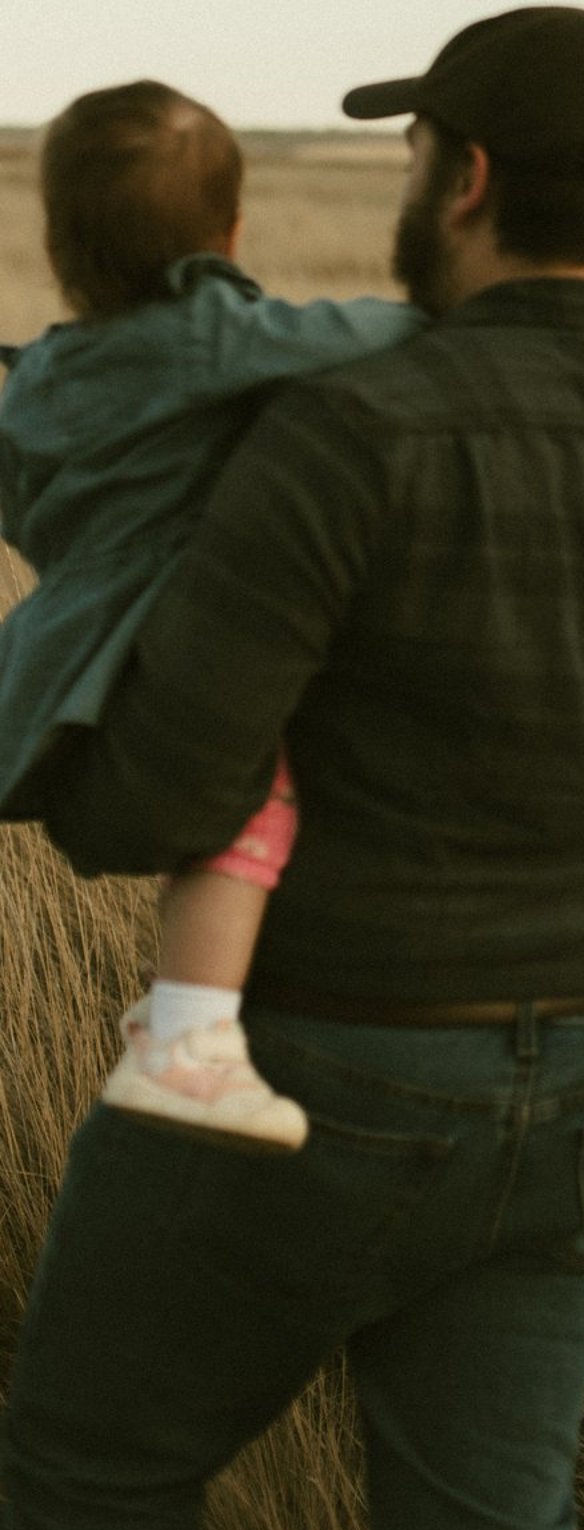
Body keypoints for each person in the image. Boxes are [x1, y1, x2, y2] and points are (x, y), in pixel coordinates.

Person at [0, 5, 584, 1530]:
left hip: (316, 1066)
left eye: (417, 155)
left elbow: (162, 799)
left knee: (92, 1471)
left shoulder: (343, 437)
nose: (413, 183)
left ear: (467, 178)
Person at [0, 79, 422, 1151]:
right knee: (251, 805)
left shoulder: (41, 374)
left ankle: (179, 1007)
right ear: (229, 231)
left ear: (56, 244)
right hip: (159, 631)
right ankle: (185, 1044)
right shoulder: (206, 340)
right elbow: (355, 334)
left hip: (65, 637)